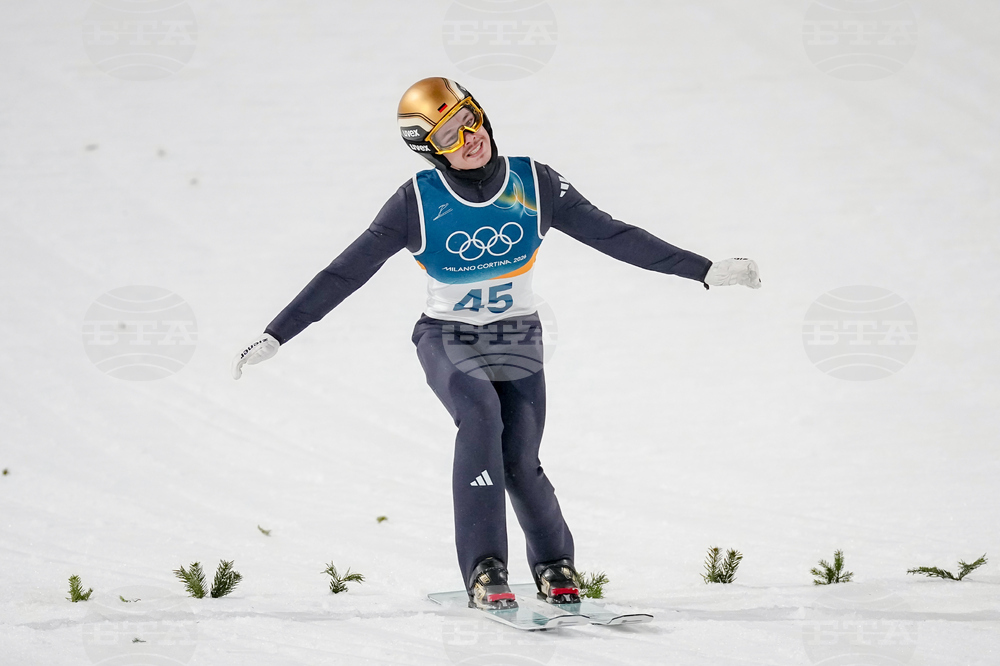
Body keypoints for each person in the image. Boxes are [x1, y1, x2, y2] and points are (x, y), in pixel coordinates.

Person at [232, 77, 761, 611]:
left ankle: (556, 564)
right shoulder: (416, 201)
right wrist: (278, 332)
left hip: (516, 336)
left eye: (470, 119)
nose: (470, 136)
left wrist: (705, 270)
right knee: (481, 415)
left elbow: (613, 235)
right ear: (429, 149)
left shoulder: (534, 182)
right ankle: (485, 567)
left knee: (519, 458)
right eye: (450, 134)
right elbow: (345, 272)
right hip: (447, 336)